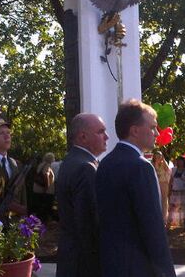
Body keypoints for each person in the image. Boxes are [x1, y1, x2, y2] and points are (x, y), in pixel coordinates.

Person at [96, 99, 176, 277]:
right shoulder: (141, 167)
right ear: (134, 130)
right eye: (153, 127)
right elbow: (152, 226)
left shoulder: (105, 163)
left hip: (111, 263)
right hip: (138, 267)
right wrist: (166, 272)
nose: (157, 133)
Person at [56, 113, 109, 277]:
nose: (106, 137)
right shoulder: (86, 168)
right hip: (85, 264)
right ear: (83, 137)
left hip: (72, 258)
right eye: (100, 132)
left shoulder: (71, 161)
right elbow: (89, 223)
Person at [32, 152, 56, 222]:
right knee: (45, 208)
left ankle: (38, 222)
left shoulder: (41, 164)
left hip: (37, 189)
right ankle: (44, 223)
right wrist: (47, 187)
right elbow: (46, 175)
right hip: (46, 191)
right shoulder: (48, 165)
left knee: (39, 208)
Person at [152, 150, 171, 225]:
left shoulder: (164, 163)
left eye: (159, 156)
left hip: (164, 183)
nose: (158, 157)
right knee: (156, 200)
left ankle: (164, 219)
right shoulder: (152, 163)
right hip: (155, 183)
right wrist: (156, 163)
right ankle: (156, 217)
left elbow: (168, 171)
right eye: (157, 156)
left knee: (164, 200)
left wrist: (163, 162)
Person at [167, 156, 185, 229]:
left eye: (181, 161)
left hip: (184, 191)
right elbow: (170, 181)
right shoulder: (173, 170)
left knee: (182, 208)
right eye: (178, 161)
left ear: (184, 162)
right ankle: (170, 222)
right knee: (173, 207)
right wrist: (169, 191)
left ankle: (182, 223)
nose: (180, 162)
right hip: (175, 191)